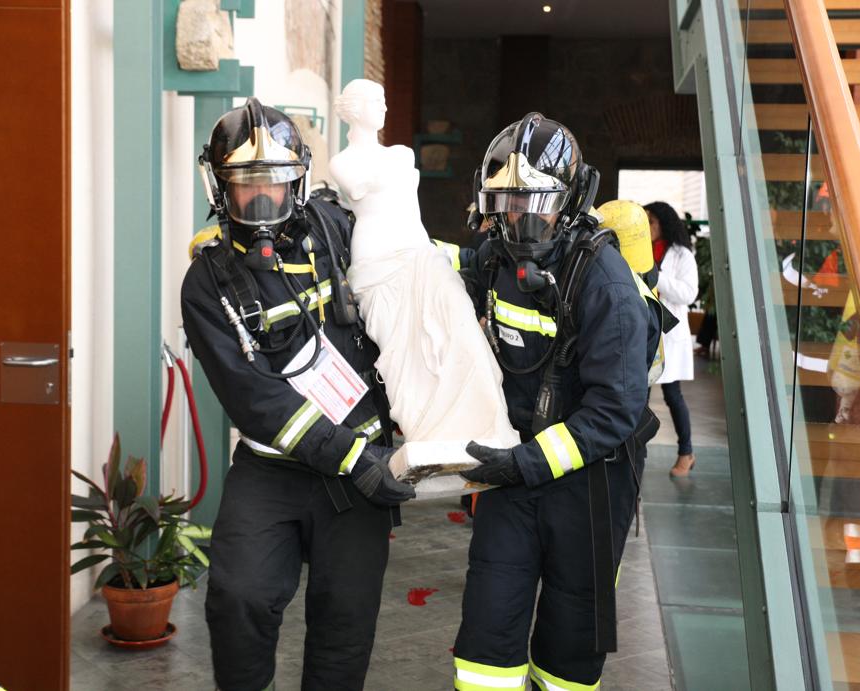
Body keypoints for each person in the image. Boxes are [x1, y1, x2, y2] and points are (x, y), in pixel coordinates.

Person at [180, 98, 415, 691]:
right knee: (238, 599)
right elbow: (253, 399)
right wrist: (352, 458)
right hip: (274, 469)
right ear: (219, 186)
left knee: (345, 624)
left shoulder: (338, 229)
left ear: (301, 181)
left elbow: (406, 282)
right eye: (246, 186)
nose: (262, 200)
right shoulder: (206, 281)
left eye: (277, 185)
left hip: (357, 474)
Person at [451, 113, 665, 691]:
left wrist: (521, 463)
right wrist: (369, 238)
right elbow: (437, 272)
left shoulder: (608, 283)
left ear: (569, 201)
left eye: (535, 200)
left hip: (593, 482)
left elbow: (615, 412)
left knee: (570, 651)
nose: (520, 216)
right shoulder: (493, 260)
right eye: (508, 200)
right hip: (512, 473)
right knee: (486, 639)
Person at [328, 79, 517, 457]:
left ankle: (484, 429)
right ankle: (429, 434)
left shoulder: (399, 152)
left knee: (460, 327)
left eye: (384, 100)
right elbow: (359, 187)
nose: (383, 107)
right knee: (403, 357)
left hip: (420, 252)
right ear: (355, 108)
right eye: (376, 101)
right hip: (378, 261)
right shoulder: (342, 162)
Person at [644, 201, 700, 477]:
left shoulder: (682, 256)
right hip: (644, 331)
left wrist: (658, 277)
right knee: (637, 396)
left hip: (669, 335)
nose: (648, 226)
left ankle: (686, 452)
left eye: (652, 222)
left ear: (664, 223)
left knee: (672, 395)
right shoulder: (639, 250)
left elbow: (688, 294)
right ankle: (634, 449)